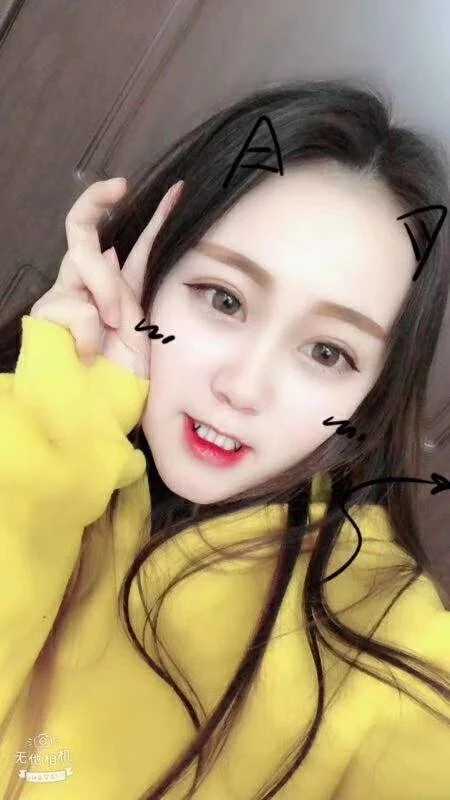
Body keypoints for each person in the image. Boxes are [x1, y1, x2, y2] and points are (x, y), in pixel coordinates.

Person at [0, 78, 449, 799]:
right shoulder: (20, 443)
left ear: (372, 395)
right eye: (225, 299)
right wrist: (53, 423)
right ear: (144, 268)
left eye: (327, 352)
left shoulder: (387, 644)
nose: (244, 387)